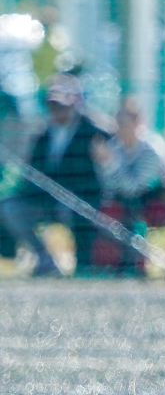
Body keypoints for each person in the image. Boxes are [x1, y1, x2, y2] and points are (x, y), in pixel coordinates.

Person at [2, 75, 112, 276]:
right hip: (46, 200)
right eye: (53, 106)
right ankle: (45, 260)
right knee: (11, 207)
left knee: (74, 211)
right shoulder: (42, 134)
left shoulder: (94, 131)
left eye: (62, 106)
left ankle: (83, 264)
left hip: (81, 200)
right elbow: (34, 172)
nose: (57, 112)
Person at [91, 96, 165, 275]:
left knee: (130, 215)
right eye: (118, 123)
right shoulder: (115, 148)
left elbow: (134, 188)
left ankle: (135, 266)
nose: (120, 129)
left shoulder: (152, 150)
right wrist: (105, 164)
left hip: (157, 204)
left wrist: (110, 164)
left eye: (125, 123)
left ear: (138, 122)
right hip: (126, 204)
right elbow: (109, 188)